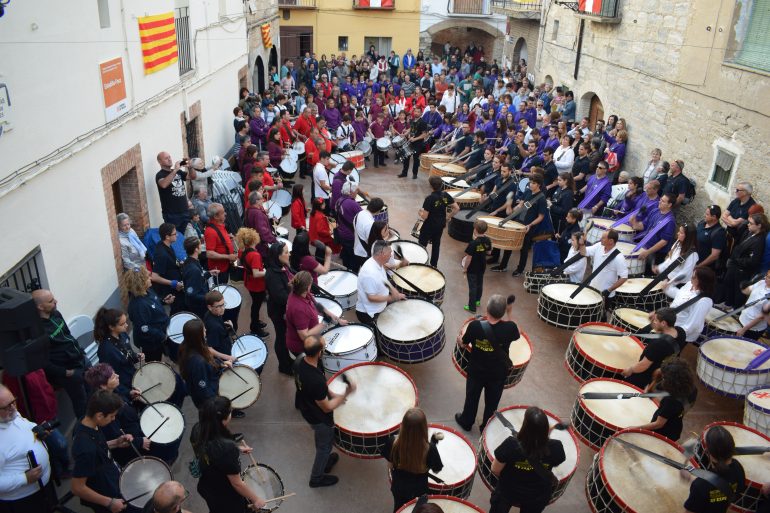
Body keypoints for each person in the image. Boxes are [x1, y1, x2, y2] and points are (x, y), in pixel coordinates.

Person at [294, 335, 354, 488]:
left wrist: (334, 395)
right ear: (319, 352)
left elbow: (321, 388)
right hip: (318, 417)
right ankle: (316, 478)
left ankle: (326, 461)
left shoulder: (301, 361)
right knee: (324, 445)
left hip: (306, 407)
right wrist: (346, 393)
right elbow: (326, 407)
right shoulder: (315, 380)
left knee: (322, 443)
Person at [455, 294, 520, 432]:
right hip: (497, 373)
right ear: (502, 312)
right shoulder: (510, 328)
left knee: (472, 397)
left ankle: (466, 421)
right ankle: (486, 427)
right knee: (492, 403)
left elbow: (463, 343)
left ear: (487, 309)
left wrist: (460, 339)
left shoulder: (474, 326)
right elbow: (517, 333)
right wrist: (509, 312)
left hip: (476, 370)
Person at [190, 396, 266, 512]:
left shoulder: (198, 429)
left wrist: (237, 448)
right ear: (223, 419)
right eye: (230, 412)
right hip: (224, 495)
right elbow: (237, 484)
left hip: (207, 486)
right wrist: (256, 499)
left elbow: (210, 450)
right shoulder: (226, 449)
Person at [71, 390, 141, 513]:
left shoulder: (86, 422)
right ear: (99, 415)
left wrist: (116, 442)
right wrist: (109, 502)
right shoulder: (85, 449)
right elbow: (77, 488)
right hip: (106, 494)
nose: (113, 419)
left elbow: (98, 446)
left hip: (112, 477)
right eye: (112, 416)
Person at [488, 406, 566, 513]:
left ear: (524, 426)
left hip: (509, 490)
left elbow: (495, 469)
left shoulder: (510, 445)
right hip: (537, 494)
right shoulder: (556, 447)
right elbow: (556, 459)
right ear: (545, 428)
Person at [32, 289, 90, 419]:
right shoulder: (37, 331)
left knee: (93, 392)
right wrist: (65, 373)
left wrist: (81, 352)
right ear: (40, 307)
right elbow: (43, 361)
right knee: (81, 403)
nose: (56, 301)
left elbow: (68, 335)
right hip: (68, 372)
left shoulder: (56, 314)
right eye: (51, 301)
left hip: (80, 359)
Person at [0, 384, 56, 513]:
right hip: (24, 501)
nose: (13, 408)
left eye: (13, 401)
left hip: (44, 487)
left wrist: (37, 431)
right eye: (6, 407)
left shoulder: (11, 414)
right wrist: (24, 479)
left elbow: (24, 429)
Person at [83, 364, 149, 467]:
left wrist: (130, 394)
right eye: (113, 377)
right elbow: (116, 437)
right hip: (130, 450)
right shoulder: (104, 407)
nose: (118, 376)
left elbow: (121, 397)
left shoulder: (110, 390)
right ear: (103, 386)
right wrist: (139, 442)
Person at [381, 408, 444, 511]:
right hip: (419, 491)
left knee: (399, 508)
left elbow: (390, 465)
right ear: (424, 427)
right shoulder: (430, 448)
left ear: (403, 425)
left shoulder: (393, 442)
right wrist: (433, 443)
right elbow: (437, 469)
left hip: (399, 487)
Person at [683, 425, 745, 513]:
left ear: (708, 452)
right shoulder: (738, 468)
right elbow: (735, 490)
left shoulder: (700, 485)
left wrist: (693, 482)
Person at [634, 356, 696, 441]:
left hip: (662, 433)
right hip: (676, 426)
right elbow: (679, 409)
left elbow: (658, 424)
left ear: (671, 381)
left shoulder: (670, 401)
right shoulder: (692, 388)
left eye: (664, 378)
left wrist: (635, 428)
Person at [178, 318, 235, 411]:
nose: (206, 331)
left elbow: (208, 362)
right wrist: (216, 405)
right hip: (208, 403)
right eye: (203, 330)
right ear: (197, 336)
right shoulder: (198, 362)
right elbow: (203, 390)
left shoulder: (188, 347)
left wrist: (220, 364)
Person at [285, 271, 346, 357]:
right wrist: (324, 324)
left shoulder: (302, 293)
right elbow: (304, 336)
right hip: (302, 348)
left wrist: (336, 318)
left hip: (311, 341)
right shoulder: (299, 309)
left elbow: (318, 306)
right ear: (307, 287)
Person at [622, 307, 681, 389]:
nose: (653, 322)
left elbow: (643, 365)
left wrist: (630, 370)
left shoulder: (658, 344)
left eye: (656, 320)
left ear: (663, 323)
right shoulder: (681, 332)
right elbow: (659, 330)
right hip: (658, 371)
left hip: (643, 376)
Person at [124, 266, 172, 362]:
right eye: (147, 278)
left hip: (159, 333)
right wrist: (162, 336)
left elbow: (154, 301)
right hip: (150, 343)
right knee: (154, 361)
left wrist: (164, 301)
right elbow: (144, 329)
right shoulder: (138, 306)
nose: (150, 278)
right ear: (140, 284)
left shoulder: (147, 290)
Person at [93, 308, 142, 402]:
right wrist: (128, 392)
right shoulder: (106, 351)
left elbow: (128, 353)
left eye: (126, 322)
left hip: (133, 375)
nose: (127, 325)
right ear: (111, 327)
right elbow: (110, 378)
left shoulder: (122, 335)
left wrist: (136, 356)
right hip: (125, 385)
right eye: (122, 324)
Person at [719, 213, 768, 308]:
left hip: (741, 269)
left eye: (751, 223)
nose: (748, 224)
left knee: (738, 290)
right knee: (729, 283)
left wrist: (737, 260)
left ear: (759, 226)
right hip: (734, 265)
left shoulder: (759, 241)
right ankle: (728, 303)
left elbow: (753, 260)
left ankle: (735, 309)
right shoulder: (750, 233)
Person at [355, 240, 407, 329]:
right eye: (389, 253)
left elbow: (383, 278)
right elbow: (371, 298)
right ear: (382, 253)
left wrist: (394, 292)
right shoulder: (369, 274)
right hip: (369, 313)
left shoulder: (377, 262)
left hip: (379, 306)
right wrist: (392, 298)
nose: (391, 255)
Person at [663, 267, 715, 346]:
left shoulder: (704, 301)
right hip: (671, 324)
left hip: (681, 333)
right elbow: (679, 295)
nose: (691, 278)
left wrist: (674, 333)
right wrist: (667, 288)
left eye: (694, 277)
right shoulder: (689, 284)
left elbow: (693, 325)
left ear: (701, 281)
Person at [265, 241, 295, 375]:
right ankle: (284, 365)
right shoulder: (272, 274)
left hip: (283, 310)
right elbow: (281, 297)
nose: (289, 254)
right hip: (278, 312)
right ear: (278, 256)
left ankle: (287, 360)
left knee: (284, 336)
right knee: (281, 338)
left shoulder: (282, 267)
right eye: (286, 252)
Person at [578, 229, 628, 303]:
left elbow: (624, 277)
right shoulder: (599, 246)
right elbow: (583, 252)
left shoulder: (619, 258)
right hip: (592, 289)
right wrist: (582, 244)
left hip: (605, 294)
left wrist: (609, 290)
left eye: (603, 238)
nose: (600, 239)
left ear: (611, 241)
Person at [419, 175, 459, 267]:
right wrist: (448, 217)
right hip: (440, 224)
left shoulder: (429, 198)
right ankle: (434, 265)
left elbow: (425, 216)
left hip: (429, 225)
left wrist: (420, 213)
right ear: (441, 185)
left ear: (431, 185)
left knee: (422, 244)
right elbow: (456, 208)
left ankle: (421, 262)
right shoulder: (445, 195)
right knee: (436, 245)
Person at [235, 227, 269, 337]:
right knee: (256, 306)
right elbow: (256, 274)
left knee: (255, 304)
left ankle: (256, 322)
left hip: (248, 281)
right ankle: (254, 327)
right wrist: (267, 272)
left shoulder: (242, 250)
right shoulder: (255, 255)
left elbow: (239, 262)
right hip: (257, 285)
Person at [156, 152, 196, 233]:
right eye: (166, 158)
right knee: (174, 237)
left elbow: (193, 176)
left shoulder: (179, 172)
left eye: (169, 157)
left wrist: (190, 167)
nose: (169, 159)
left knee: (186, 236)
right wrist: (175, 170)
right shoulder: (160, 175)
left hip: (184, 211)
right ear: (160, 162)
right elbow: (163, 184)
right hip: (171, 215)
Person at [151, 223, 185, 315]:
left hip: (175, 285)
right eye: (174, 234)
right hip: (170, 290)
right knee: (177, 311)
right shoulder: (162, 254)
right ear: (167, 237)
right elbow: (154, 277)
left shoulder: (165, 245)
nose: (177, 235)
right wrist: (172, 283)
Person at [181, 236, 217, 319]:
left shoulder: (190, 261)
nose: (202, 246)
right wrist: (209, 297)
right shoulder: (193, 269)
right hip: (198, 307)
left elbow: (197, 278)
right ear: (196, 249)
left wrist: (209, 273)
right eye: (200, 245)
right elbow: (192, 294)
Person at [462, 219, 492, 313]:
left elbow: (468, 258)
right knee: (479, 284)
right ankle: (477, 301)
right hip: (482, 266)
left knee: (473, 287)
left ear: (475, 230)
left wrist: (465, 268)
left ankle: (472, 307)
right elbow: (489, 252)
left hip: (473, 268)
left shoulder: (473, 243)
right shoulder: (487, 240)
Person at [336, 181, 364, 271]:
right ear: (350, 192)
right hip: (351, 236)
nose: (357, 193)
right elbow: (363, 217)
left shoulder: (339, 200)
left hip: (341, 233)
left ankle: (346, 269)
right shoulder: (353, 204)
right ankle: (353, 273)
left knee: (346, 254)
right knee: (354, 258)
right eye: (356, 191)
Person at [737, 270, 770, 339]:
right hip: (743, 319)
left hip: (753, 329)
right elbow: (747, 292)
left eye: (769, 277)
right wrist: (745, 285)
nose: (766, 278)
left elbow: (761, 316)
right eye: (766, 276)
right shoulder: (761, 282)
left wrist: (744, 329)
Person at [354, 198, 385, 270]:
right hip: (364, 253)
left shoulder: (359, 214)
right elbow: (371, 241)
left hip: (356, 248)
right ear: (378, 211)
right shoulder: (370, 224)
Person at [399, 106, 430, 179]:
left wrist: (415, 139)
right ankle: (404, 173)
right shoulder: (412, 120)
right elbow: (411, 128)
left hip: (418, 144)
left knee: (416, 159)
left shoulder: (423, 122)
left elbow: (424, 134)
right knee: (406, 157)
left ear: (421, 113)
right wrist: (406, 134)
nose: (416, 113)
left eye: (418, 112)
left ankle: (414, 174)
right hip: (411, 141)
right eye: (415, 111)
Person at [696, 205, 727, 272]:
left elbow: (714, 256)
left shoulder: (719, 233)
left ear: (714, 217)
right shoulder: (701, 223)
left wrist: (699, 266)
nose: (704, 215)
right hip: (693, 260)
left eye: (707, 214)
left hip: (703, 268)